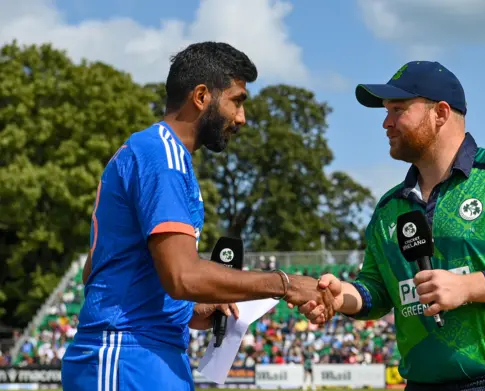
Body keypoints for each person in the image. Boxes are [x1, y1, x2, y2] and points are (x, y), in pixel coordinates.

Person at [61, 42, 337, 391]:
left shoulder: (161, 154)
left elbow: (107, 268)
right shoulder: (162, 157)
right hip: (126, 356)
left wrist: (191, 310)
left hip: (147, 354)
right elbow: (182, 275)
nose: (241, 118)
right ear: (202, 96)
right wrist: (285, 284)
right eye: (236, 101)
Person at [299, 61, 485, 391]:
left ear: (440, 113)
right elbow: (379, 290)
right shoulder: (388, 207)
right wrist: (344, 297)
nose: (386, 123)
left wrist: (468, 287)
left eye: (398, 110)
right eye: (385, 111)